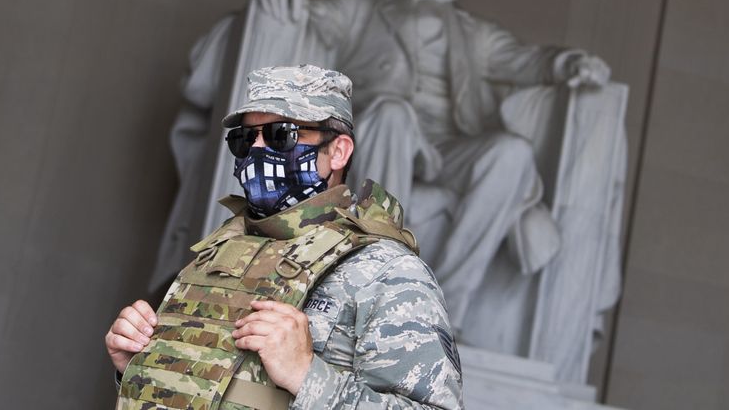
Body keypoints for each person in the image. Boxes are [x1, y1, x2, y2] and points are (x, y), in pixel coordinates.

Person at [250, 0, 612, 348]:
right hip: (381, 135)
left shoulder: (474, 34)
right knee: (392, 112)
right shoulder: (361, 9)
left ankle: (445, 307)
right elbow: (309, 18)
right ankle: (378, 281)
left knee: (511, 152)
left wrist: (569, 65)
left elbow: (529, 61)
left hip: (446, 148)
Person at [106, 65, 463, 409]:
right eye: (245, 138)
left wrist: (307, 376)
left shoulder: (386, 271)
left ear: (338, 151)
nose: (259, 149)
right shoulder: (221, 251)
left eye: (282, 135)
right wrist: (139, 368)